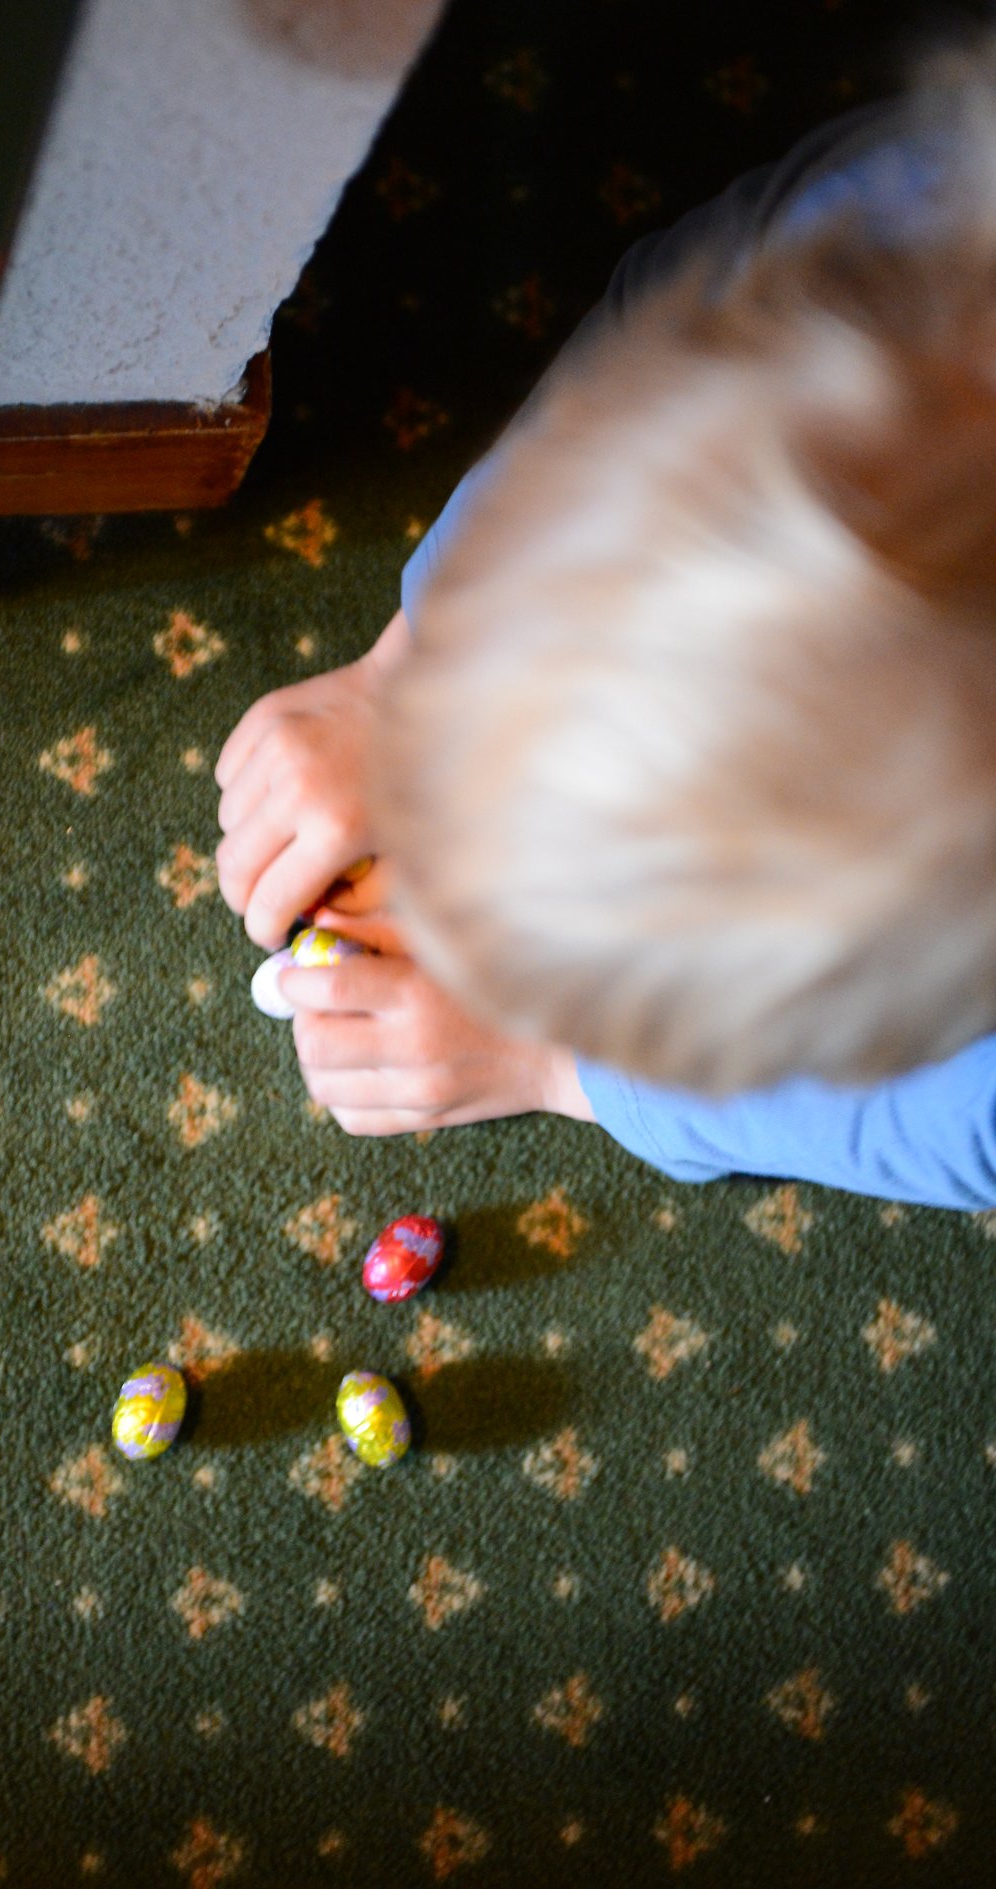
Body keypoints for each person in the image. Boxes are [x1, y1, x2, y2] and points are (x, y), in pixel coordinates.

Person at [215, 40, 996, 1209]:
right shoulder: (894, 222)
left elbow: (968, 1124)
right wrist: (411, 673)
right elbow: (686, 302)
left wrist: (564, 1063)